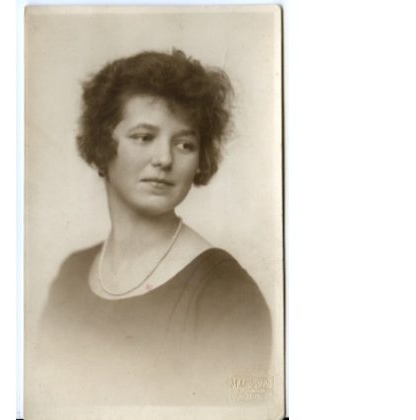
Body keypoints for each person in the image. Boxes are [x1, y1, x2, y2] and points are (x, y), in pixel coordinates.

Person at [39, 49, 271, 406]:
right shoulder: (71, 275)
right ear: (103, 144)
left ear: (200, 159)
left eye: (185, 144)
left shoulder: (227, 296)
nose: (164, 159)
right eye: (144, 137)